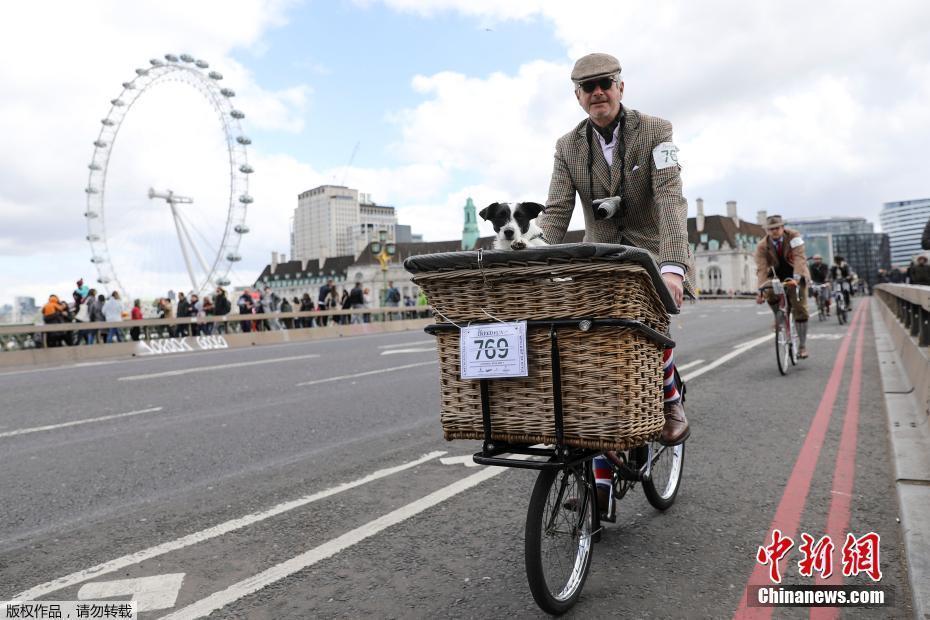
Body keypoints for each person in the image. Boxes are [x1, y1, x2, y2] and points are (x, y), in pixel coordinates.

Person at [536, 52, 692, 454]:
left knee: (650, 328)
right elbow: (555, 214)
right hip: (601, 256)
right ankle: (600, 475)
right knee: (587, 347)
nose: (598, 92)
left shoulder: (657, 130)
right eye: (588, 87)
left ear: (621, 87)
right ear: (578, 96)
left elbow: (670, 199)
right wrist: (531, 260)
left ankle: (671, 402)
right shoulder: (567, 147)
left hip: (649, 252)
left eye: (606, 83)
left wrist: (672, 267)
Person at [754, 215, 811, 358]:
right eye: (771, 229)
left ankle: (802, 346)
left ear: (783, 227)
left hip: (795, 273)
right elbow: (761, 269)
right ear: (767, 230)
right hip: (776, 276)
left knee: (800, 308)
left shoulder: (793, 236)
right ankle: (778, 316)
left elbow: (799, 257)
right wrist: (760, 290)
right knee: (769, 292)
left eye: (777, 228)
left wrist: (797, 278)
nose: (774, 231)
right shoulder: (762, 246)